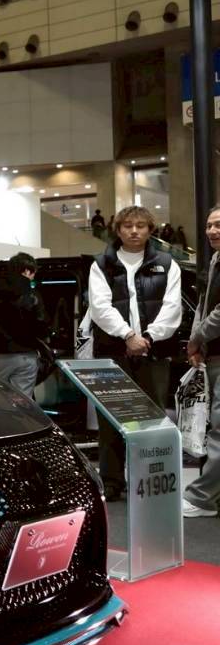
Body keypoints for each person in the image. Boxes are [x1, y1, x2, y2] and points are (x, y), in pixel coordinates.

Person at [88, 205, 181, 502]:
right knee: (110, 420)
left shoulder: (167, 263)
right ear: (117, 230)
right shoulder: (101, 263)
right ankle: (112, 482)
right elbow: (99, 308)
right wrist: (128, 335)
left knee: (152, 419)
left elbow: (172, 307)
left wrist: (148, 337)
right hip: (112, 353)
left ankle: (149, 478)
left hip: (154, 352)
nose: (134, 231)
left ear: (150, 230)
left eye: (141, 225)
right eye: (127, 225)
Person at [182, 206, 220, 517]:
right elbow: (204, 307)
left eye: (218, 225)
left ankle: (202, 498)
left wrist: (196, 339)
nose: (212, 231)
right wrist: (199, 345)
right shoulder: (216, 260)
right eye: (209, 225)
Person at [0, 253, 49, 396]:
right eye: (33, 273)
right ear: (27, 271)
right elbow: (42, 324)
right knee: (22, 400)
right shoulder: (32, 295)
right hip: (26, 355)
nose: (33, 277)